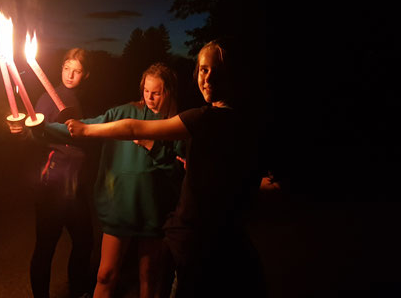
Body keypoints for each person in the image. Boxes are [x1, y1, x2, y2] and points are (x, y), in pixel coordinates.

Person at [66, 38, 266, 298]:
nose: (208, 78)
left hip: (198, 239)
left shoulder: (201, 119)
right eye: (204, 69)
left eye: (218, 70)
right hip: (218, 238)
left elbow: (133, 128)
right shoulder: (242, 121)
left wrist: (86, 130)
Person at [47, 63, 183, 298]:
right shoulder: (123, 113)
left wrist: (155, 147)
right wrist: (40, 129)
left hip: (152, 212)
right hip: (119, 209)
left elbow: (180, 174)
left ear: (169, 91)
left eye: (157, 92)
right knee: (105, 274)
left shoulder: (175, 124)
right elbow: (86, 128)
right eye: (146, 91)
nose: (149, 97)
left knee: (149, 276)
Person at [9, 48, 95, 298]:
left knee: (84, 242)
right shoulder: (49, 98)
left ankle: (78, 291)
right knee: (46, 246)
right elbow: (37, 134)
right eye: (67, 68)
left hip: (75, 185)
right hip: (53, 184)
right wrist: (23, 133)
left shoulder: (83, 100)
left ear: (86, 75)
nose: (70, 75)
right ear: (60, 68)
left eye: (77, 71)